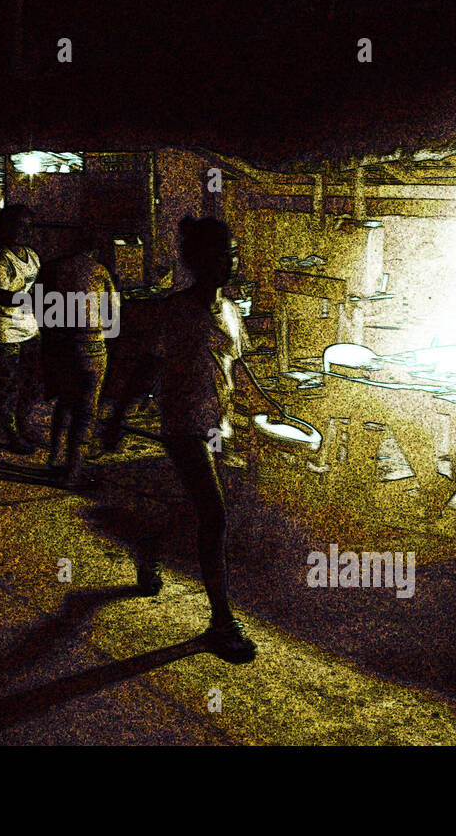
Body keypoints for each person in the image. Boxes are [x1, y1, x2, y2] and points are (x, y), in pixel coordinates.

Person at [104, 216, 281, 664]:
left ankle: (149, 544)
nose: (230, 261)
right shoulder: (174, 310)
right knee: (216, 515)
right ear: (197, 260)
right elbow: (148, 367)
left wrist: (270, 401)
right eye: (221, 253)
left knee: (198, 509)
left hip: (219, 424)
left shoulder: (231, 312)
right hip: (183, 423)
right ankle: (221, 621)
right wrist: (118, 416)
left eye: (234, 252)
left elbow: (236, 365)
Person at [39, 228, 120, 486]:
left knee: (65, 400)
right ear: (95, 250)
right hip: (91, 346)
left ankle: (55, 456)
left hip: (61, 346)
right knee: (86, 411)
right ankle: (73, 472)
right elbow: (113, 317)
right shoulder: (100, 272)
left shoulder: (53, 269)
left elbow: (39, 309)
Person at [0, 204, 42, 452]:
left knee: (35, 381)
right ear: (7, 227)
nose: (25, 231)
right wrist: (32, 299)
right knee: (8, 385)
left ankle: (23, 423)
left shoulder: (32, 256)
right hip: (6, 329)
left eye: (29, 226)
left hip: (30, 327)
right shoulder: (1, 257)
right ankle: (12, 434)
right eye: (20, 225)